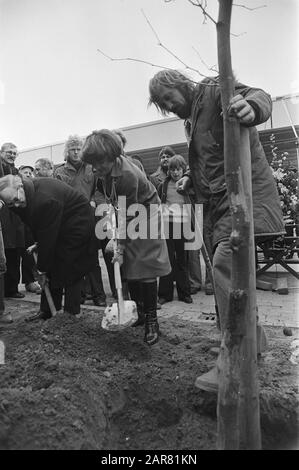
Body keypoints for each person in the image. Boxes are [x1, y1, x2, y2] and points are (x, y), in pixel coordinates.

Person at [148, 69, 284, 391]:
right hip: (220, 206)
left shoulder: (212, 89)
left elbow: (258, 94)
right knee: (229, 270)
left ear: (182, 84)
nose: (171, 106)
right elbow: (210, 161)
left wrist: (253, 108)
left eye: (170, 97)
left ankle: (235, 359)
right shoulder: (191, 120)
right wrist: (190, 179)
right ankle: (252, 339)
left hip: (243, 194)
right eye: (164, 105)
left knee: (225, 267)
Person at [81, 129, 171, 346]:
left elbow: (128, 213)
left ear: (111, 156)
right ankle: (139, 312)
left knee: (145, 265)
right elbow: (118, 208)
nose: (93, 167)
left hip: (146, 214)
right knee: (131, 265)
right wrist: (121, 245)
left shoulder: (127, 175)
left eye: (97, 162)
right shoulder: (106, 171)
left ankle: (152, 320)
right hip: (128, 214)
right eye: (91, 162)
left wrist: (118, 245)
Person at [0, 175, 97, 321]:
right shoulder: (20, 198)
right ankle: (47, 311)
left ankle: (71, 314)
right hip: (57, 224)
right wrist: (39, 245)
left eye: (15, 200)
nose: (16, 205)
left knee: (71, 268)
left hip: (78, 226)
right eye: (10, 204)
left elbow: (48, 238)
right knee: (51, 267)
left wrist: (41, 269)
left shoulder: (45, 200)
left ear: (20, 187)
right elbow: (36, 225)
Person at [54, 135, 106, 307]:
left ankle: (99, 295)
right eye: (72, 149)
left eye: (78, 149)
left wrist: (94, 201)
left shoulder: (92, 168)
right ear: (67, 152)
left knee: (92, 256)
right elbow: (58, 196)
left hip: (91, 215)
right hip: (70, 219)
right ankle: (80, 294)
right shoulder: (60, 172)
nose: (76, 152)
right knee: (75, 256)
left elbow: (101, 189)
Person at [158, 154, 192, 304]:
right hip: (167, 225)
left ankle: (185, 293)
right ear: (168, 170)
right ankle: (165, 295)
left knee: (182, 260)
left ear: (183, 169)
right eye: (172, 170)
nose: (175, 173)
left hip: (183, 224)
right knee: (168, 259)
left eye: (178, 169)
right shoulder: (163, 185)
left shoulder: (187, 183)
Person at [0, 143, 25, 299]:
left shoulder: (16, 171)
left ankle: (12, 288)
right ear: (1, 152)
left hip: (15, 215)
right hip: (3, 214)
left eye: (14, 153)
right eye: (9, 152)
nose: (12, 155)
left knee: (15, 250)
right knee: (5, 252)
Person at [18, 165, 41, 294]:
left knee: (31, 254)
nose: (28, 174)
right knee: (20, 255)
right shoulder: (17, 186)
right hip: (18, 224)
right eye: (25, 172)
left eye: (30, 172)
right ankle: (26, 282)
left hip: (30, 223)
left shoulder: (34, 186)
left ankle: (32, 280)